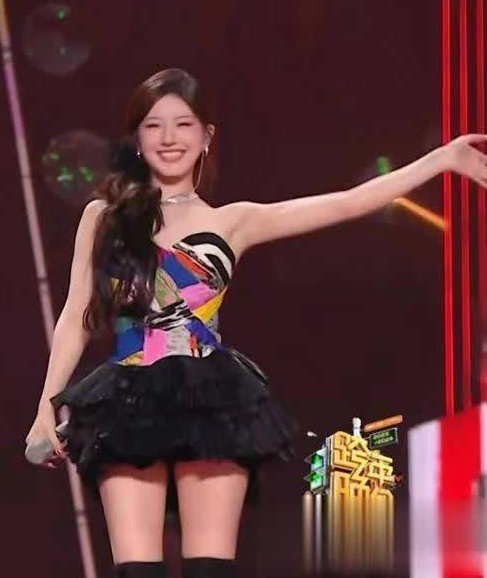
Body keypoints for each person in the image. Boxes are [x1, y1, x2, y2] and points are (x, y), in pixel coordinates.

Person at [26, 68, 487, 578]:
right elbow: (76, 315)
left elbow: (348, 202)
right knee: (137, 570)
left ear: (207, 136)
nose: (169, 138)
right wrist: (47, 404)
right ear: (137, 138)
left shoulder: (234, 220)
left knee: (210, 569)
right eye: (154, 125)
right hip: (126, 402)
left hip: (212, 400)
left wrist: (442, 159)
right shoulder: (101, 218)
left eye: (183, 124)